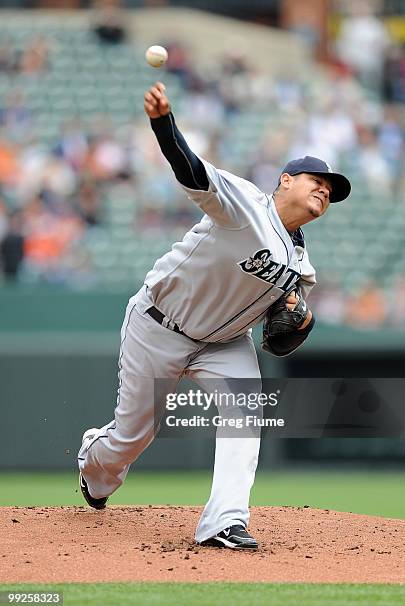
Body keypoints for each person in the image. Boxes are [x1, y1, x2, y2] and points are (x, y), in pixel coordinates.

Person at [78, 82, 351, 550]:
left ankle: (223, 521)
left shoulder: (302, 267)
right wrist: (164, 122)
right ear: (286, 179)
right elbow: (189, 169)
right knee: (131, 437)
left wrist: (297, 318)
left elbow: (282, 334)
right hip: (159, 324)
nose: (324, 192)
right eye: (317, 182)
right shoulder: (244, 204)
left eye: (330, 191)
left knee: (246, 411)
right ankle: (94, 464)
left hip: (223, 343)